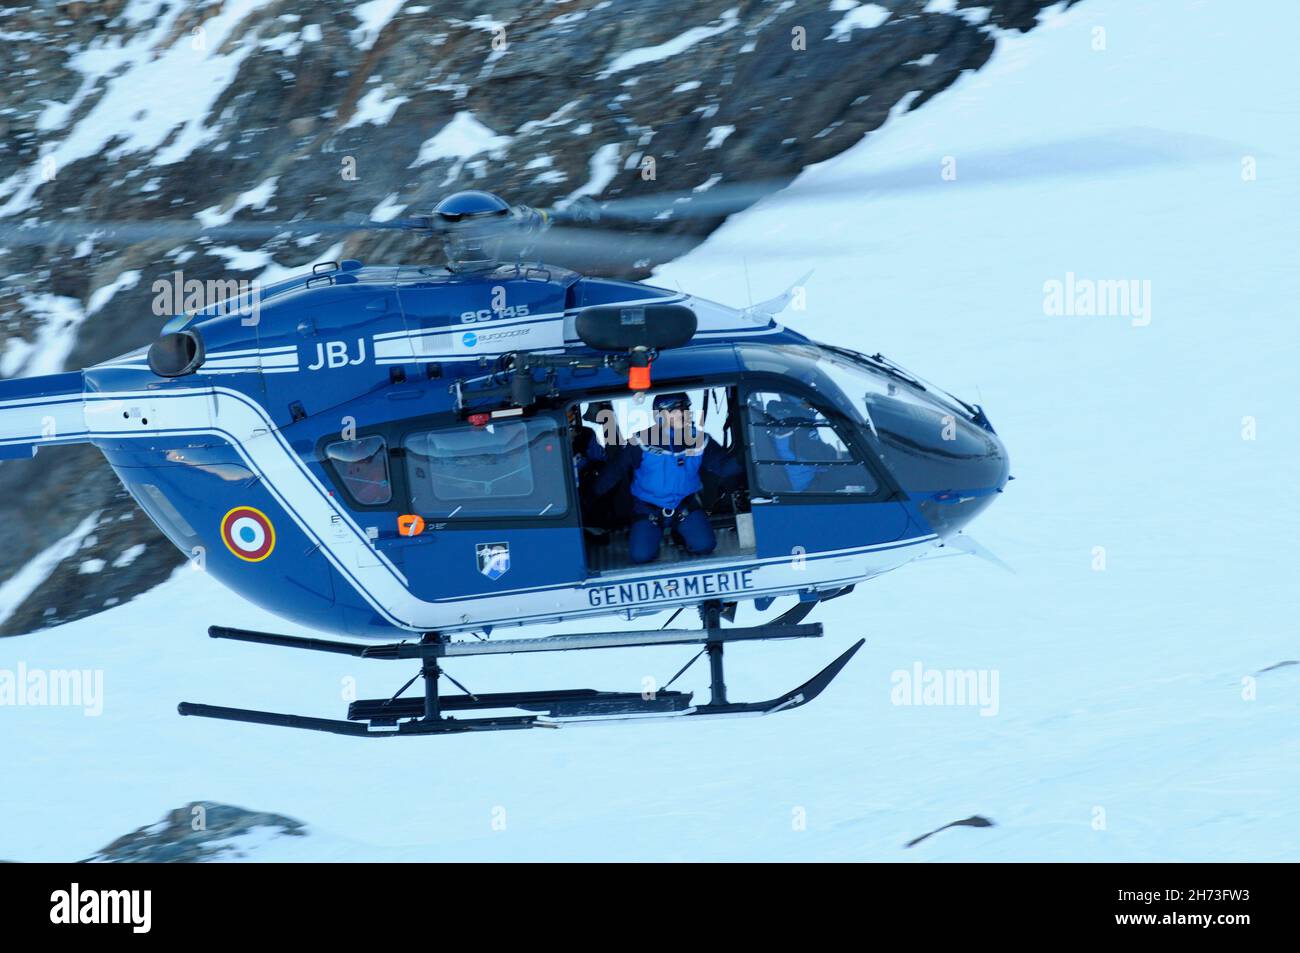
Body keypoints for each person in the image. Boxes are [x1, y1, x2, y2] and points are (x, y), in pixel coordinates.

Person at [594, 392, 742, 563]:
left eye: (686, 408)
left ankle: (681, 531)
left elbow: (723, 467)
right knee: (641, 556)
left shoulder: (700, 440)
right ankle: (646, 534)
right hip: (648, 509)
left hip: (684, 506)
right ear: (661, 415)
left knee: (705, 546)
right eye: (678, 410)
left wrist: (744, 456)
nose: (685, 413)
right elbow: (615, 470)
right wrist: (593, 496)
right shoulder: (640, 442)